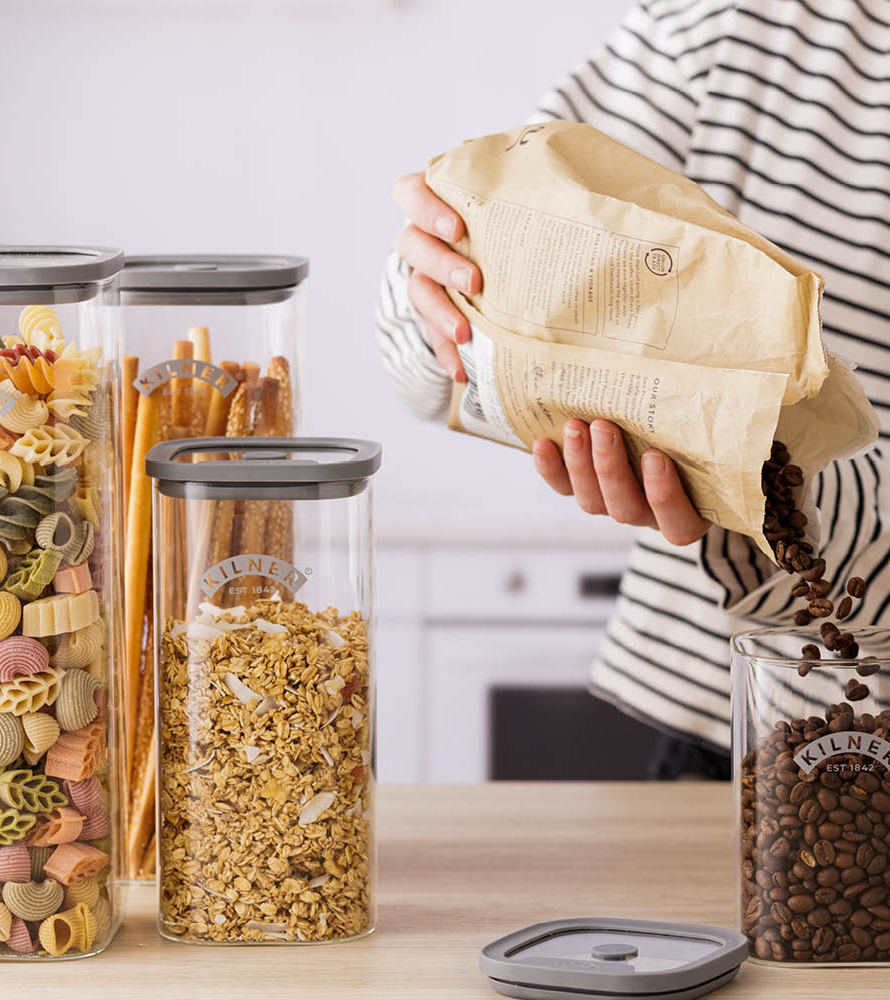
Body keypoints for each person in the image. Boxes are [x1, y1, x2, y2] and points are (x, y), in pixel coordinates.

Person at [376, 0, 890, 778]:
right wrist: (444, 285)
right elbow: (420, 359)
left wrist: (778, 498)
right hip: (739, 732)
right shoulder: (742, 23)